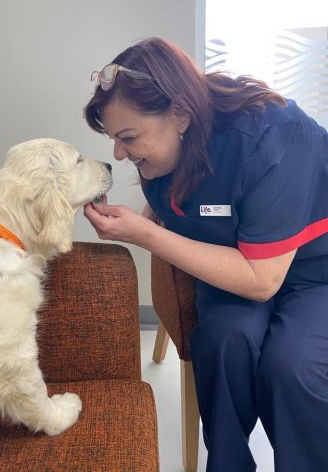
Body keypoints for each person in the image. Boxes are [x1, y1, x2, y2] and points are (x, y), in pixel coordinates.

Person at [82, 37, 328, 472]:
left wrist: (143, 235)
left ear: (179, 114)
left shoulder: (274, 136)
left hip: (312, 272)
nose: (118, 153)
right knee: (221, 341)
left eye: (128, 137)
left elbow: (261, 281)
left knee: (291, 368)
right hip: (232, 264)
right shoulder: (170, 149)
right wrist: (143, 218)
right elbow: (171, 203)